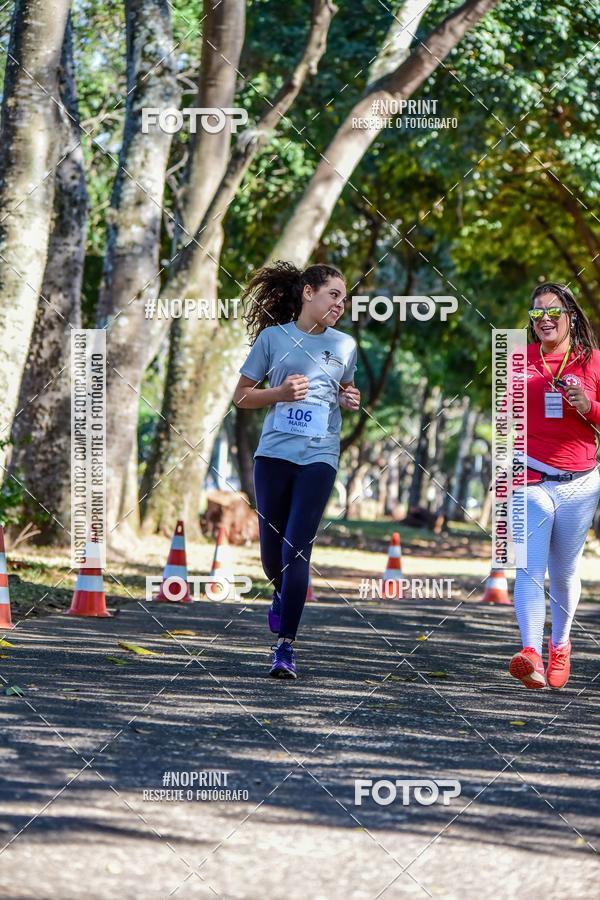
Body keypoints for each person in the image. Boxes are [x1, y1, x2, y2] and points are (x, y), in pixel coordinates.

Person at [233, 261, 360, 680]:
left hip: (320, 456)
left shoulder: (345, 345)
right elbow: (242, 397)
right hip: (273, 456)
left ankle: (285, 646)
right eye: (333, 295)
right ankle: (281, 593)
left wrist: (349, 398)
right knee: (272, 557)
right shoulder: (273, 338)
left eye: (344, 298)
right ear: (308, 292)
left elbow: (344, 389)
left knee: (296, 551)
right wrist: (280, 393)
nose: (340, 304)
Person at [509, 282, 600, 690]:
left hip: (579, 483)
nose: (544, 319)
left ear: (571, 316)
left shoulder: (593, 361)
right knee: (529, 566)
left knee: (564, 571)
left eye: (553, 312)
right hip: (529, 477)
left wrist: (588, 406)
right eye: (536, 314)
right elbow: (505, 419)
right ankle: (530, 652)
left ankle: (560, 644)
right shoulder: (518, 358)